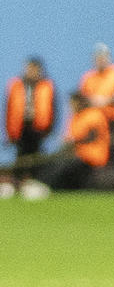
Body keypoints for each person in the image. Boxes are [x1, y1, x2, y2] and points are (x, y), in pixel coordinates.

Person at [4, 56, 57, 198]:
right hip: (20, 127)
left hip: (38, 127)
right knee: (20, 156)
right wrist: (9, 131)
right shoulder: (16, 84)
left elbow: (53, 108)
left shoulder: (46, 85)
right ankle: (16, 184)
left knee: (35, 157)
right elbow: (8, 109)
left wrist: (49, 128)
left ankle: (33, 184)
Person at [42, 90, 113, 190]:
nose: (71, 106)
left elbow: (92, 136)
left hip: (92, 157)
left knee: (62, 165)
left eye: (73, 103)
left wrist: (73, 142)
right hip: (78, 155)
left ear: (81, 102)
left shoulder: (94, 114)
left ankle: (45, 187)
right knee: (54, 161)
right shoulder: (75, 117)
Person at [77, 44, 114, 163]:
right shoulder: (88, 78)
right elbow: (80, 100)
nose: (100, 60)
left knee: (113, 150)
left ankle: (111, 176)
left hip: (113, 121)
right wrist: (91, 102)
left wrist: (108, 100)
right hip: (93, 123)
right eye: (98, 57)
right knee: (91, 152)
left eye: (103, 57)